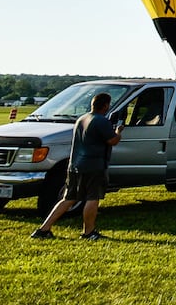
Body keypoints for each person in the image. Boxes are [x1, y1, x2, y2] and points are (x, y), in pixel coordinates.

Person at [31, 92, 123, 240]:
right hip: (94, 165)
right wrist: (118, 132)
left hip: (75, 164)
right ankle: (89, 232)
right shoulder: (101, 121)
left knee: (68, 198)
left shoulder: (82, 118)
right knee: (93, 198)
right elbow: (112, 141)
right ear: (106, 105)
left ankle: (43, 229)